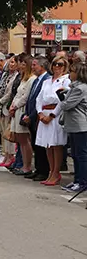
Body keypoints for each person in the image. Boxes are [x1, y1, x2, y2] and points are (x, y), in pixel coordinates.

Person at [35, 54, 70, 186]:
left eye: (60, 64)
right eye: (55, 64)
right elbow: (39, 99)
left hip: (55, 115)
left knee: (56, 144)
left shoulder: (66, 81)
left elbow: (63, 100)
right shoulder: (46, 81)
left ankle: (56, 172)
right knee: (47, 145)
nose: (57, 67)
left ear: (65, 67)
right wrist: (40, 113)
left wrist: (52, 115)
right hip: (44, 113)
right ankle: (51, 171)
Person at [7, 54, 36, 173]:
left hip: (22, 109)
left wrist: (15, 106)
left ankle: (27, 166)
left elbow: (25, 97)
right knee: (20, 140)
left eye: (24, 64)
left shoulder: (31, 79)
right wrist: (12, 106)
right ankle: (23, 164)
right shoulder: (23, 78)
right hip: (16, 109)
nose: (22, 66)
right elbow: (18, 94)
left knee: (25, 140)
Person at [61, 61, 87, 194]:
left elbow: (67, 105)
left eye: (71, 71)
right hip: (73, 125)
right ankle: (77, 180)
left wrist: (62, 100)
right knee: (76, 154)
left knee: (81, 155)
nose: (69, 74)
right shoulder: (73, 87)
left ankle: (82, 181)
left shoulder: (80, 88)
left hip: (80, 125)